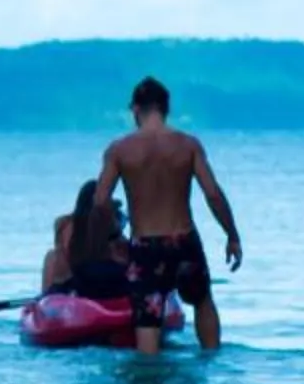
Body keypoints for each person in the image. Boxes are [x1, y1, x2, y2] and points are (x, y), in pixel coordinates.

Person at [94, 76, 241, 353]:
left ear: (136, 110)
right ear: (166, 109)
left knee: (148, 322)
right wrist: (232, 235)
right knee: (202, 301)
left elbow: (100, 201)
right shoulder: (188, 145)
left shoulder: (120, 150)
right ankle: (212, 358)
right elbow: (213, 194)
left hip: (145, 245)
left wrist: (111, 238)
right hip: (183, 239)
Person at [41, 179, 131, 300]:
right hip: (81, 280)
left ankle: (46, 298)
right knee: (52, 257)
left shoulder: (66, 224)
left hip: (80, 280)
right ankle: (47, 299)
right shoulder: (72, 225)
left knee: (52, 257)